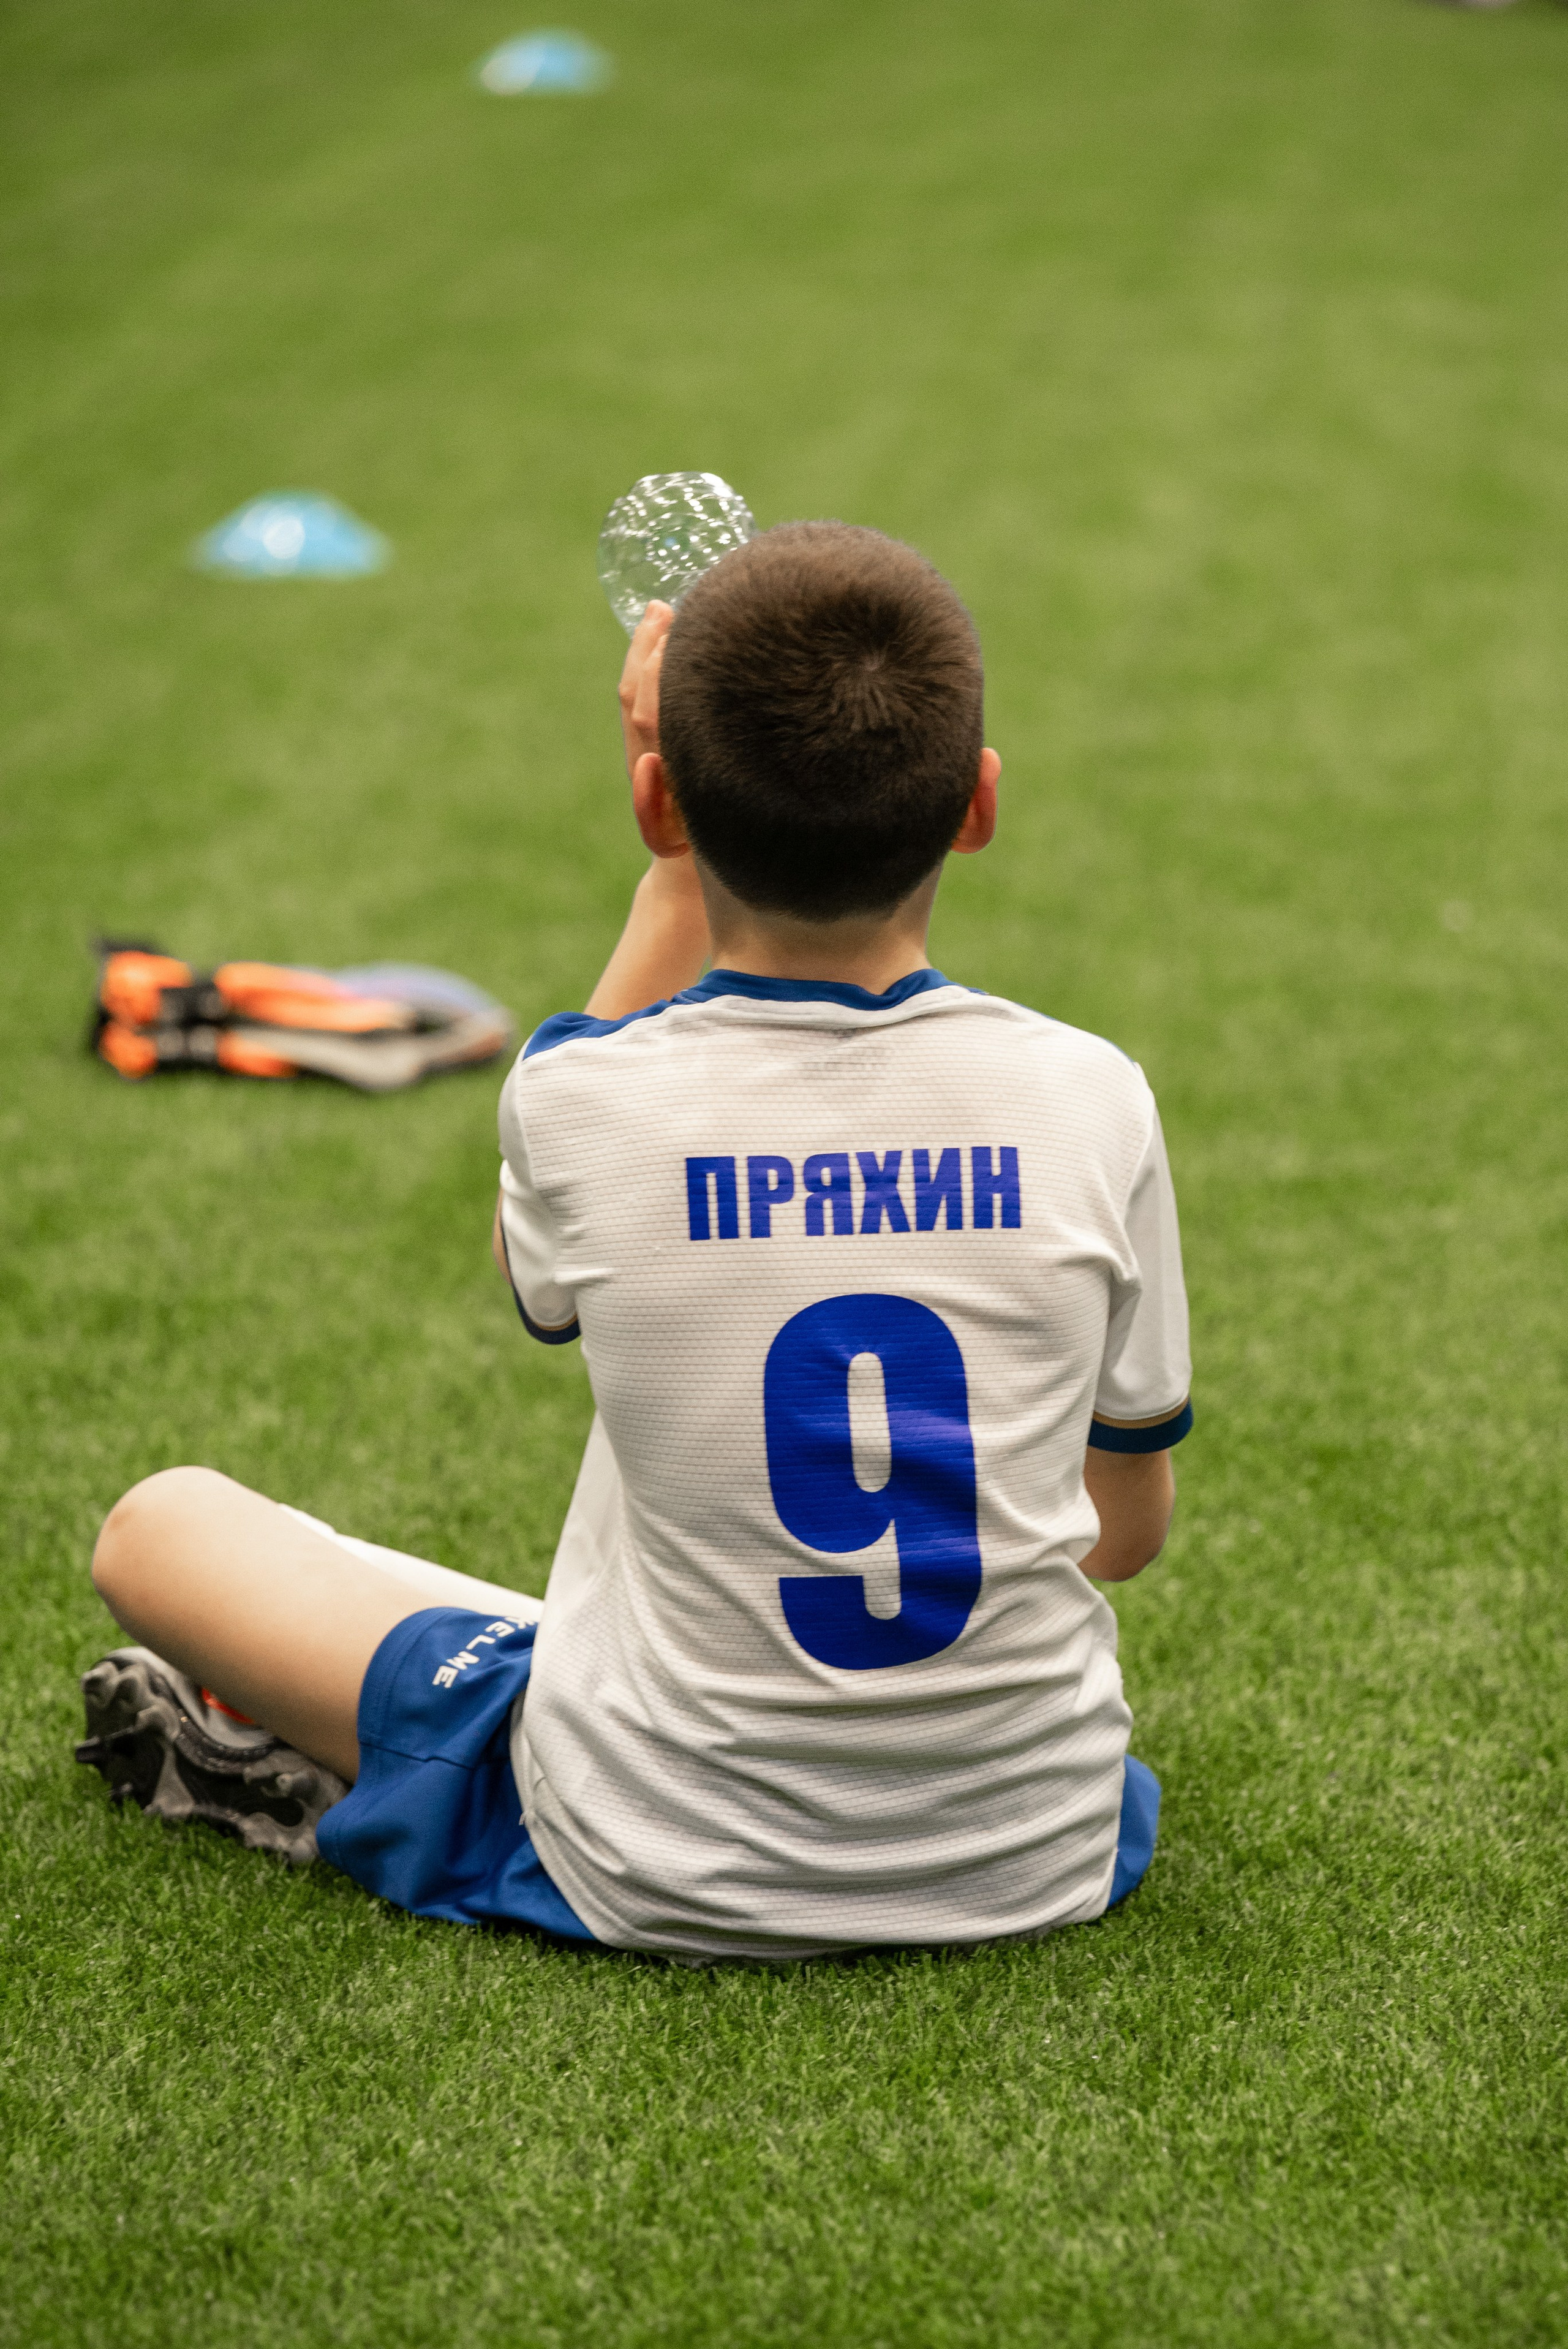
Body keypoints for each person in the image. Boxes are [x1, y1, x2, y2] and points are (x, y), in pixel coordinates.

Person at [80, 521, 1192, 1961]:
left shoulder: (578, 1098)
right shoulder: (1092, 1095)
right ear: (975, 806)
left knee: (157, 1526)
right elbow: (1122, 1537)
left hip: (657, 1848)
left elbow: (525, 1266)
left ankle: (312, 1770)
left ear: (660, 802)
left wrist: (666, 865)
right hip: (1043, 1842)